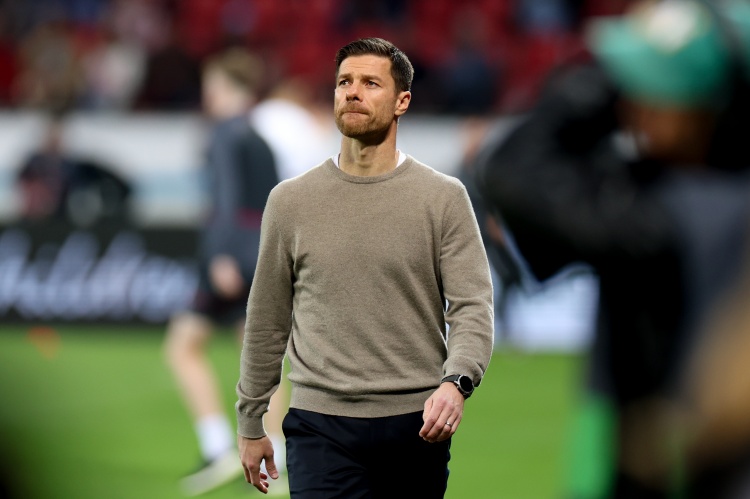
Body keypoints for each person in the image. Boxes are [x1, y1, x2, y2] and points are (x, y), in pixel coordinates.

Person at [475, 1, 750, 497]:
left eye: (659, 92)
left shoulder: (658, 210)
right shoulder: (664, 193)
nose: (636, 104)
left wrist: (603, 83)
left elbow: (514, 169)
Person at [236, 37, 494, 497]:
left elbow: (473, 305)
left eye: (370, 83)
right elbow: (267, 318)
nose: (353, 92)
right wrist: (251, 420)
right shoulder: (290, 201)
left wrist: (457, 383)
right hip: (319, 425)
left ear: (402, 102)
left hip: (417, 423)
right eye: (344, 82)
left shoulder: (443, 198)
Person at [163, 47, 286, 497]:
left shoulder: (222, 135)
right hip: (261, 253)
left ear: (229, 87)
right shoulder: (261, 139)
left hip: (230, 256)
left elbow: (226, 200)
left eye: (211, 86)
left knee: (183, 348)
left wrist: (221, 255)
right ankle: (278, 455)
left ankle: (216, 447)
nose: (207, 95)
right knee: (261, 358)